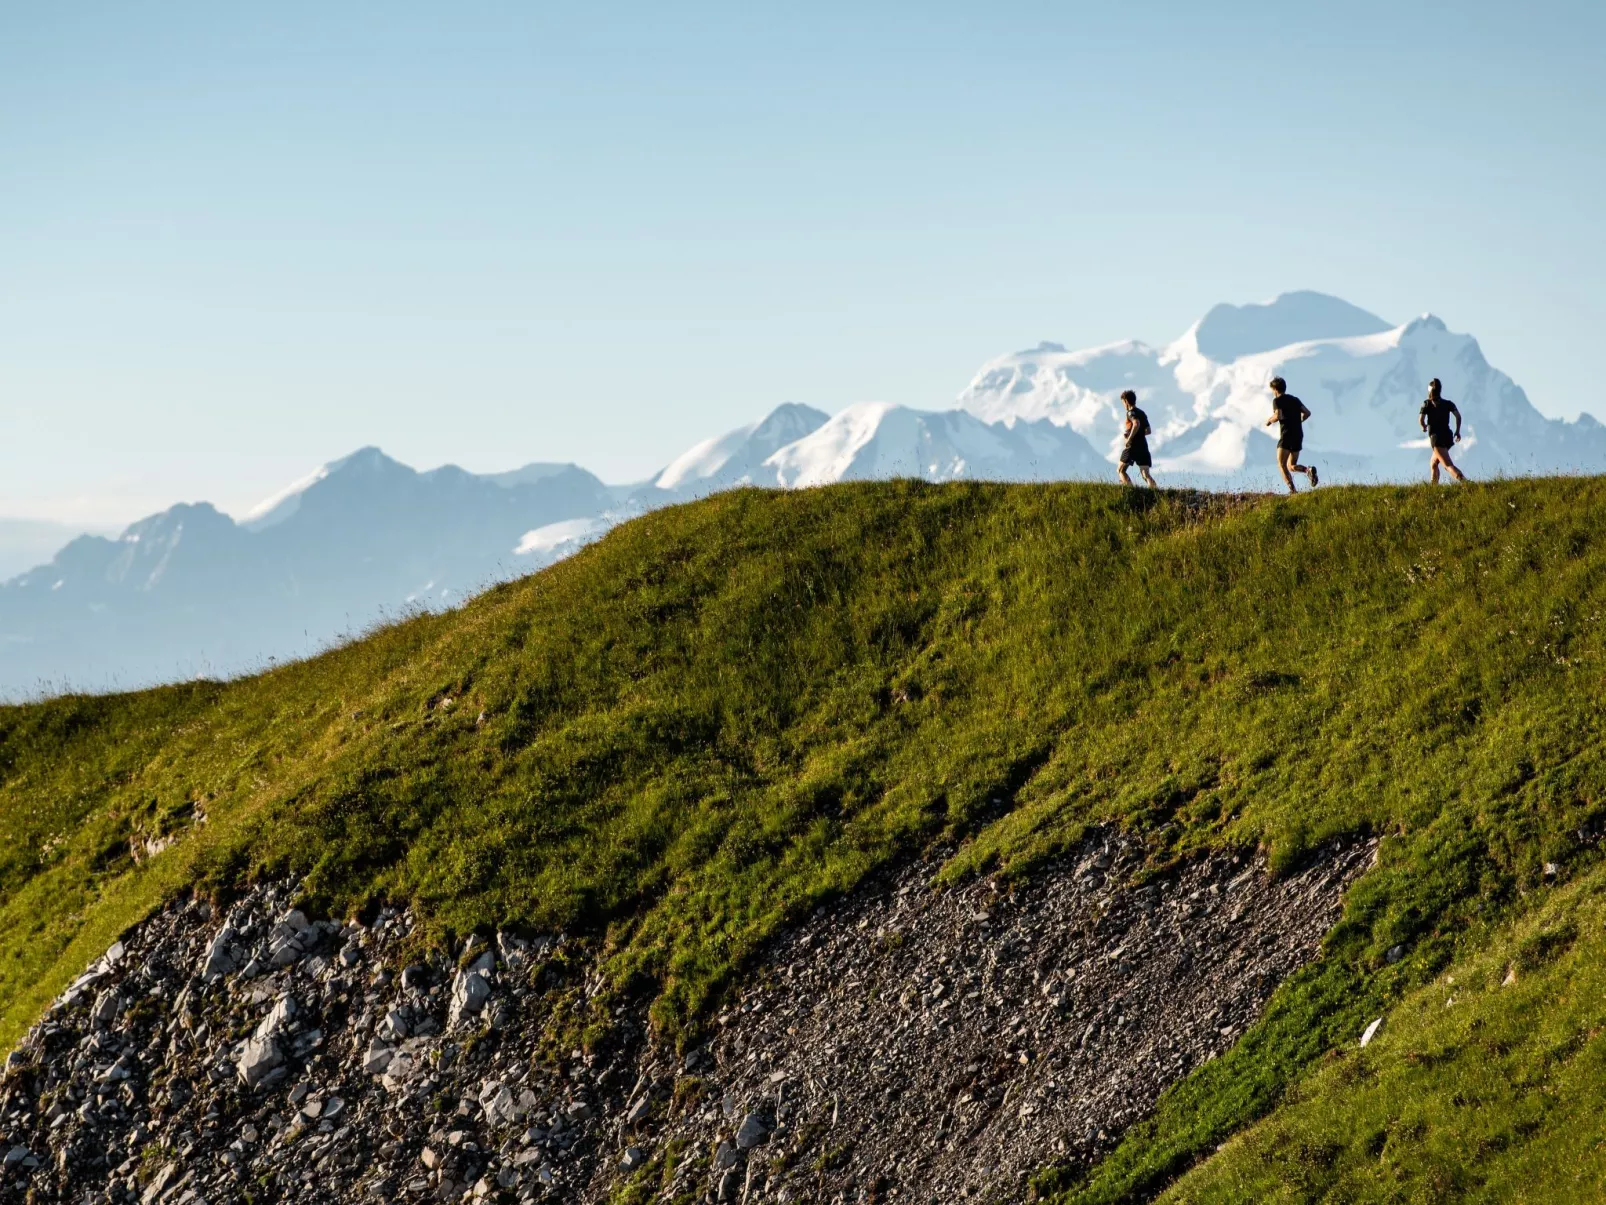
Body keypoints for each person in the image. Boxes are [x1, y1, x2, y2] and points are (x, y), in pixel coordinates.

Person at [1264, 377, 1318, 493]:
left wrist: (1269, 421)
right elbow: (1307, 413)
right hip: (1298, 435)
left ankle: (1293, 490)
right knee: (1291, 466)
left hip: (1286, 434)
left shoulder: (1277, 401)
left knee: (1281, 464)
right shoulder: (1295, 399)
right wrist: (1299, 421)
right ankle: (1307, 470)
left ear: (1275, 389)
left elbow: (1278, 415)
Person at [1419, 378, 1468, 483]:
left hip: (1436, 438)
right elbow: (1458, 417)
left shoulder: (1427, 404)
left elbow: (1421, 419)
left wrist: (1423, 426)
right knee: (1433, 463)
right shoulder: (1448, 403)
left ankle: (1465, 482)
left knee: (1447, 465)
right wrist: (1457, 431)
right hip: (1447, 437)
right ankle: (1433, 488)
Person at [1117, 390, 1157, 487]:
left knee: (1120, 470)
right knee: (1145, 475)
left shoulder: (1130, 413)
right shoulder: (1142, 413)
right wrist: (1136, 433)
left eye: (1123, 403)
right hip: (1143, 446)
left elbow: (1136, 423)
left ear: (1126, 401)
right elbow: (1148, 430)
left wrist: (1130, 438)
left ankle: (1131, 490)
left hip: (1132, 446)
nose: (1123, 405)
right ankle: (1155, 493)